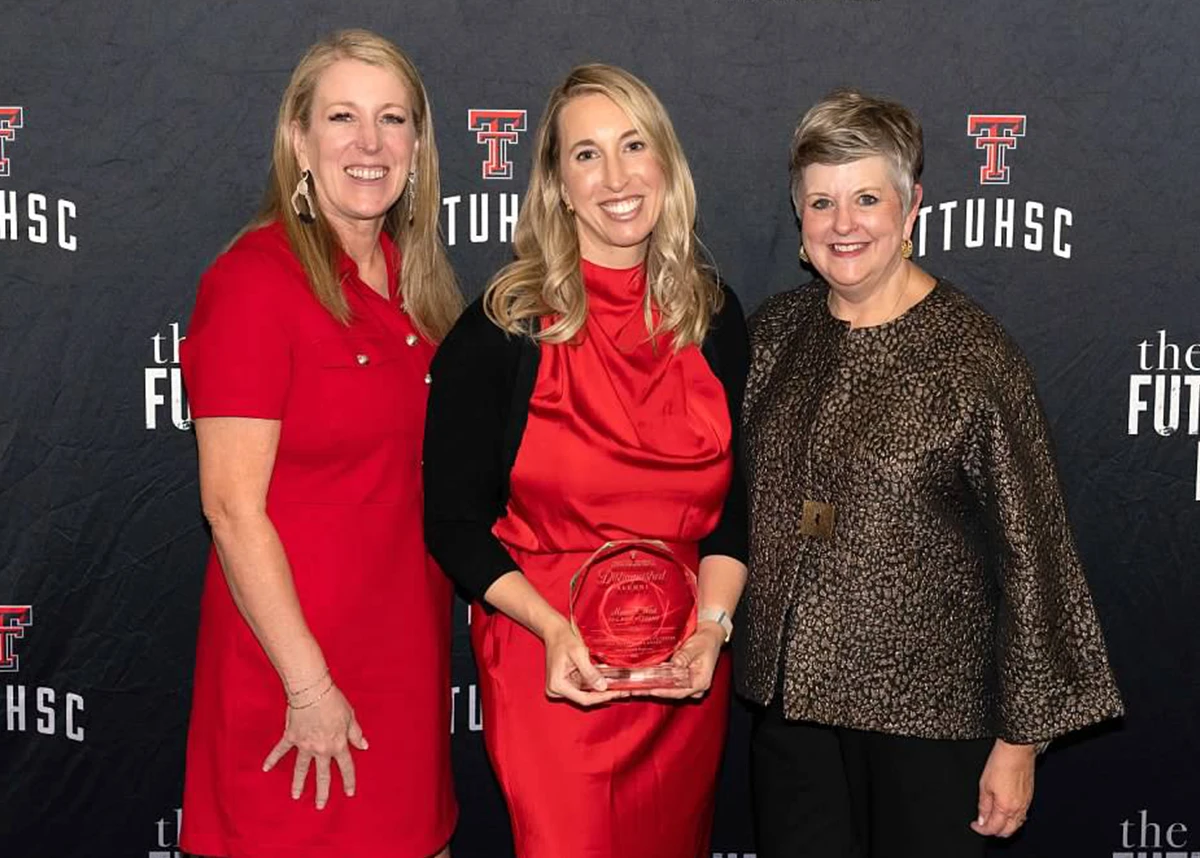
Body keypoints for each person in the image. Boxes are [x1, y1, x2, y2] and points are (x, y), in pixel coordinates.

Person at [739, 88, 1124, 858]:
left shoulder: (976, 357)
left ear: (910, 209)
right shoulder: (774, 335)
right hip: (793, 719)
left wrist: (1021, 741)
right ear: (800, 220)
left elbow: (1035, 553)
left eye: (867, 198)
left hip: (931, 722)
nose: (843, 224)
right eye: (822, 202)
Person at [423, 63, 748, 858]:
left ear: (665, 165)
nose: (615, 176)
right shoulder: (502, 329)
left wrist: (712, 631)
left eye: (634, 145)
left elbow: (735, 513)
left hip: (680, 675)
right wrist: (547, 627)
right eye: (586, 155)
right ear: (557, 186)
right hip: (552, 668)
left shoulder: (713, 317)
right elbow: (453, 522)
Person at [178, 29, 461, 858]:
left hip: (402, 673)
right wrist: (309, 687)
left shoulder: (423, 290)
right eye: (342, 117)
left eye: (393, 119)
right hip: (296, 684)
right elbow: (231, 509)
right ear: (299, 139)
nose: (370, 144)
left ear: (417, 143)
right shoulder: (253, 283)